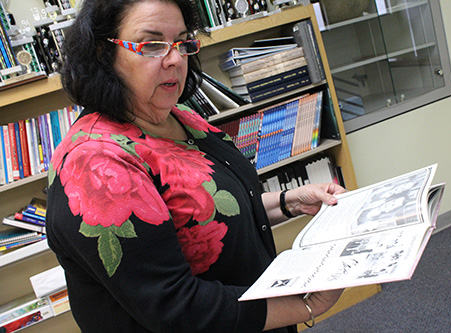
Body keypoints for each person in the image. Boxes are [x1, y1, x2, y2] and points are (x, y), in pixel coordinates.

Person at [46, 0, 345, 331]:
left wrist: (288, 201)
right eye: (152, 45)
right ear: (104, 54)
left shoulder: (179, 116)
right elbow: (175, 307)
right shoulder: (95, 164)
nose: (175, 59)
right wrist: (304, 304)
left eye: (182, 42)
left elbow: (202, 211)